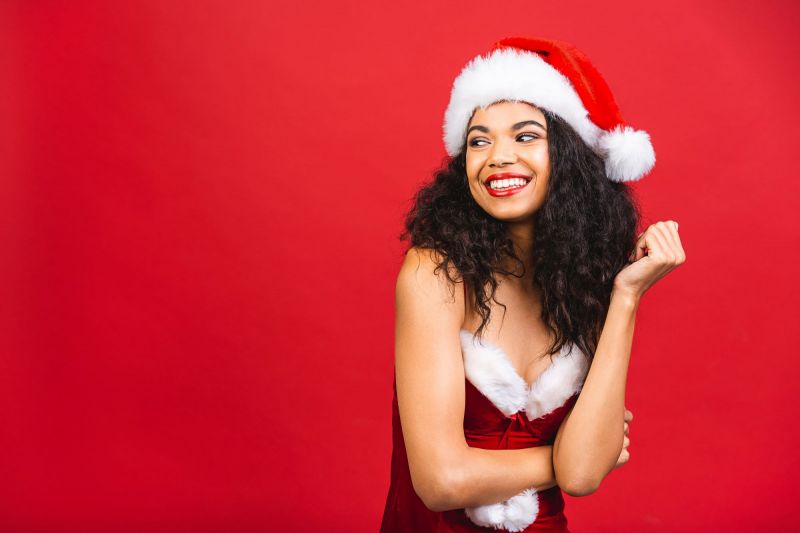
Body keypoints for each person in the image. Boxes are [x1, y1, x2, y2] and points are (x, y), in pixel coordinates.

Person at [379, 37, 686, 532]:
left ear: (568, 155)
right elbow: (440, 481)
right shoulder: (434, 273)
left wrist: (626, 297)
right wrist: (563, 459)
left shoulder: (590, 283)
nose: (497, 157)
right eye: (479, 140)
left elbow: (583, 479)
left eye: (524, 136)